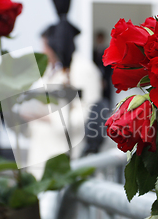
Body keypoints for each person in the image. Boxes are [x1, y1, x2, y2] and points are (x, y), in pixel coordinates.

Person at [19, 26, 102, 179]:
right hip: (40, 155)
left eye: (45, 46)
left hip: (63, 157)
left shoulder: (82, 69)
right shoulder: (49, 70)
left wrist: (47, 116)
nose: (43, 51)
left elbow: (89, 114)